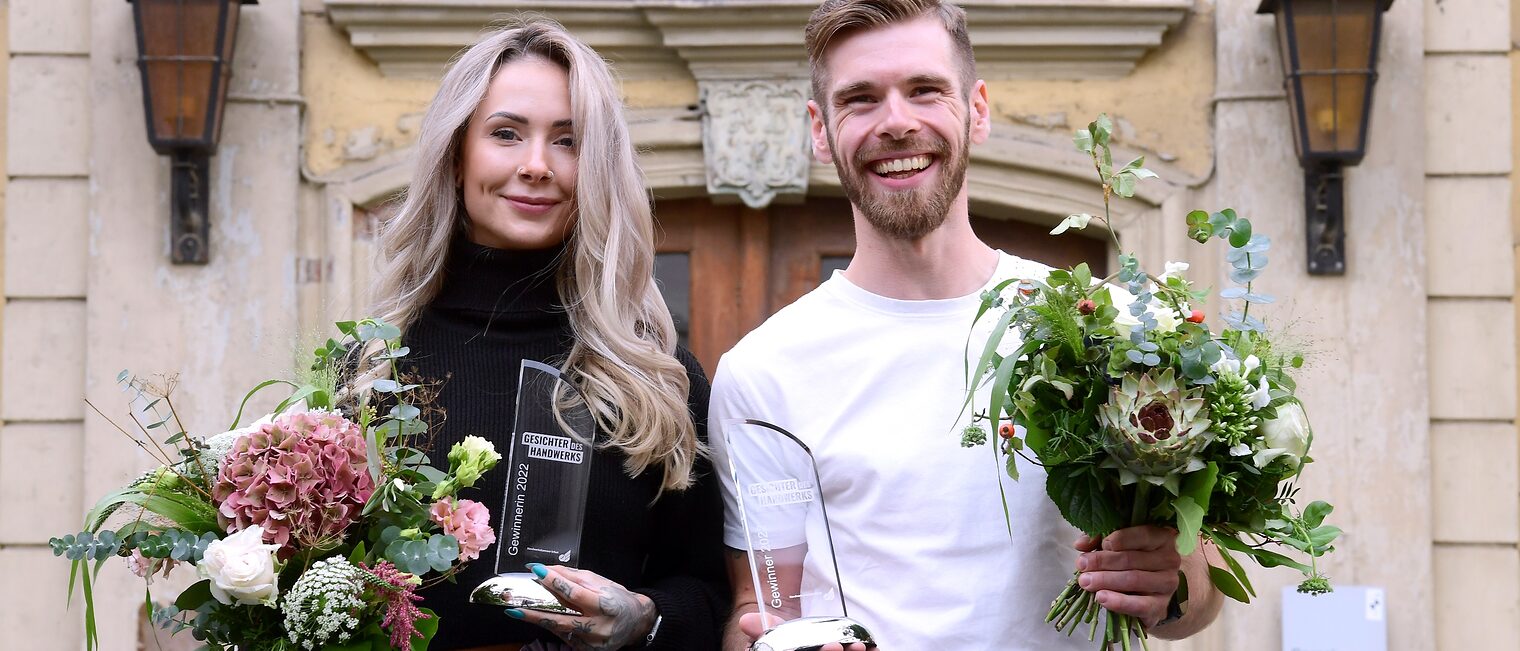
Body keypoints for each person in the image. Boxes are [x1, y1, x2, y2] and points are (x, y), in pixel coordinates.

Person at [708, 1, 1226, 649]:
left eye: (924, 90)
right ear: (820, 128)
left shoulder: (1107, 329)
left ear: (977, 109)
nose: (896, 122)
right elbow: (762, 606)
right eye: (860, 99)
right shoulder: (764, 372)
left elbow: (1202, 585)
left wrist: (1173, 583)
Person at [362, 18, 728, 651]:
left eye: (568, 141)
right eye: (506, 134)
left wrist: (645, 618)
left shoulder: (655, 377)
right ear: (456, 156)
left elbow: (708, 591)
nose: (536, 166)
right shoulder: (370, 367)